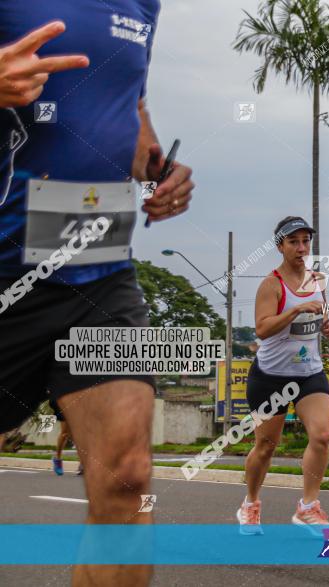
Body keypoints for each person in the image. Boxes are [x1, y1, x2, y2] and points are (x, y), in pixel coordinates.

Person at [0, 8, 194, 586]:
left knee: (126, 477)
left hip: (98, 266)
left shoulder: (144, 6)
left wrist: (159, 167)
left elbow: (131, 102)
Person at [236, 216, 329, 534]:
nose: (301, 247)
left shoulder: (318, 279)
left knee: (321, 435)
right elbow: (262, 329)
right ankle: (250, 503)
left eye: (305, 240)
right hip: (270, 376)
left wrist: (327, 326)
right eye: (293, 241)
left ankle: (308, 506)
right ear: (279, 246)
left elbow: (322, 313)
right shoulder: (271, 284)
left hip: (309, 373)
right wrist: (294, 310)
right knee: (266, 446)